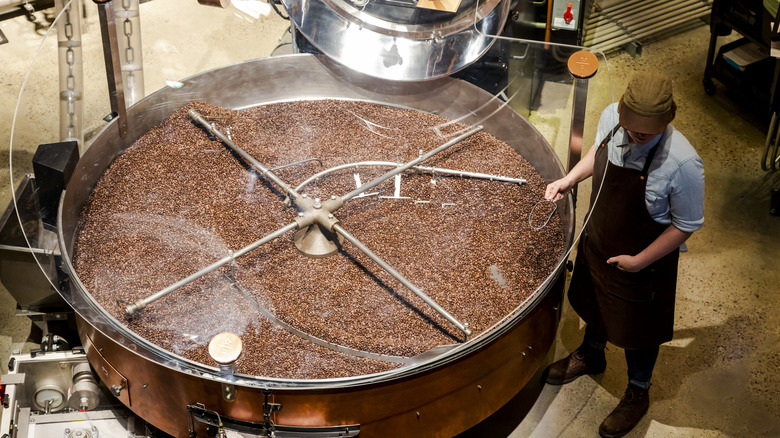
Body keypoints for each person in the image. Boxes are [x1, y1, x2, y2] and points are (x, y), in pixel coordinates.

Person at [544, 71, 705, 438]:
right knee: (594, 299)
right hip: (601, 239)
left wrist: (640, 261)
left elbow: (686, 224)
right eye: (632, 125)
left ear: (667, 120)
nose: (637, 134)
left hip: (644, 262)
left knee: (639, 330)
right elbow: (598, 155)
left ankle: (637, 390)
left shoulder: (683, 164)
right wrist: (569, 179)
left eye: (647, 130)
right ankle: (591, 354)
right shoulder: (611, 118)